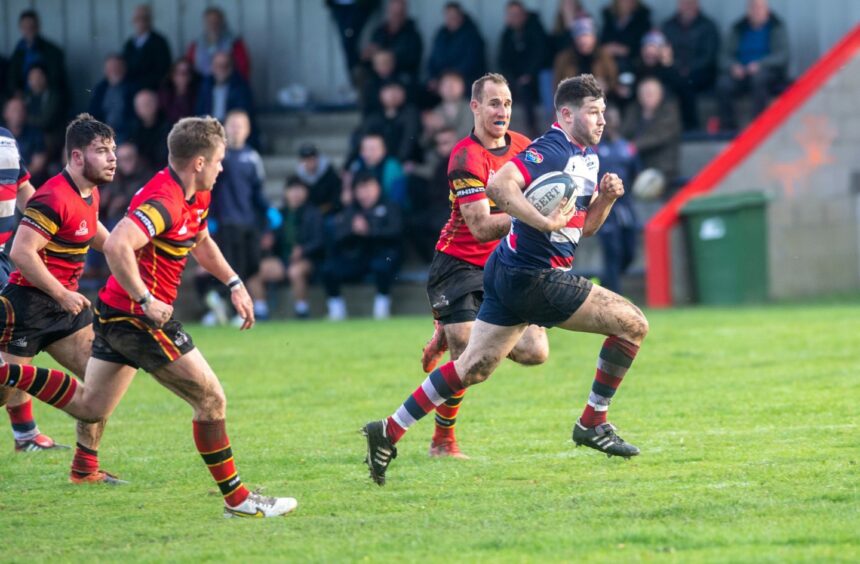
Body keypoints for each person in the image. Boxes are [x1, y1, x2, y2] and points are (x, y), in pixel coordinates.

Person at [0, 116, 298, 517]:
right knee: (211, 399)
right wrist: (143, 298)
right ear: (198, 162)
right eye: (219, 160)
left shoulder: (194, 195)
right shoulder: (164, 200)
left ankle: (76, 457)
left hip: (105, 310)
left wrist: (233, 282)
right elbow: (119, 244)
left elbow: (199, 239)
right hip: (128, 317)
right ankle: (239, 500)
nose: (222, 167)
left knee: (91, 405)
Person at [362, 74, 650, 486]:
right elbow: (499, 185)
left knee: (473, 367)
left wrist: (605, 199)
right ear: (566, 114)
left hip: (505, 268)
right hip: (532, 274)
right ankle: (593, 421)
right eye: (593, 112)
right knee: (634, 323)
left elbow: (583, 229)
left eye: (603, 112)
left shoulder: (587, 157)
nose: (602, 120)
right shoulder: (552, 148)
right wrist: (540, 219)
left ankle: (388, 429)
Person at [416, 73, 549, 458]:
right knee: (468, 354)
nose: (501, 111)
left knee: (535, 352)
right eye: (493, 103)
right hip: (457, 265)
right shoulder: (465, 156)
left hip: (506, 265)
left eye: (507, 104)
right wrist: (532, 214)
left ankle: (455, 326)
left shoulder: (525, 147)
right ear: (474, 107)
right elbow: (479, 228)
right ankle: (443, 440)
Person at [0, 115, 115, 476]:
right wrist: (61, 293)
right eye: (103, 151)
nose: (113, 158)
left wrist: (124, 253)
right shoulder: (55, 195)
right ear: (78, 157)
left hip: (66, 306)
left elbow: (89, 226)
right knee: (5, 387)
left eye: (113, 150)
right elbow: (22, 252)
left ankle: (86, 468)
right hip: (27, 306)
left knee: (100, 386)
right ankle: (26, 432)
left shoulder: (88, 190)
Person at [0, 124, 58, 451]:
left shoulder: (6, 138)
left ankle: (25, 434)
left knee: (15, 342)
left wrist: (52, 223)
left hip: (4, 259)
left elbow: (24, 191)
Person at [204, 110, 269, 326]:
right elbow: (208, 190)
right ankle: (230, 310)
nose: (236, 129)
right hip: (226, 222)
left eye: (240, 125)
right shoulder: (218, 156)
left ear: (248, 130)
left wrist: (268, 211)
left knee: (251, 266)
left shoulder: (252, 157)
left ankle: (239, 306)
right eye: (232, 125)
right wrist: (209, 217)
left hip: (248, 221)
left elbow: (258, 190)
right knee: (232, 266)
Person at [322, 171, 402, 321]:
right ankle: (336, 310)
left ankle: (381, 307)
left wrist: (369, 230)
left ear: (377, 187)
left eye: (368, 188)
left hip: (382, 253)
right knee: (328, 269)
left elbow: (395, 232)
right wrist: (353, 230)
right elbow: (338, 235)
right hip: (358, 256)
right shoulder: (351, 210)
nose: (364, 194)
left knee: (383, 266)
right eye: (360, 189)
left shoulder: (390, 206)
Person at [247, 177, 325, 320]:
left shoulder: (313, 213)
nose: (295, 193)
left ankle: (302, 309)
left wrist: (303, 250)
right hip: (283, 260)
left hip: (307, 260)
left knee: (295, 271)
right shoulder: (280, 215)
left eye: (299, 189)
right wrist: (269, 241)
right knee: (253, 270)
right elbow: (272, 236)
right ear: (286, 193)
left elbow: (319, 241)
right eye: (292, 189)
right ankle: (260, 309)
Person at [716, 0, 789, 130]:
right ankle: (728, 128)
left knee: (759, 79)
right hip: (741, 73)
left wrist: (760, 64)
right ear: (748, 10)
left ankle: (758, 126)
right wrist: (733, 66)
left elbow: (782, 56)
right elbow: (723, 56)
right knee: (723, 84)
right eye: (753, 7)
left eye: (759, 7)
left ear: (767, 10)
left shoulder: (776, 27)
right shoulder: (738, 28)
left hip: (767, 72)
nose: (756, 11)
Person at [595, 106, 640, 294]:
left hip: (625, 207)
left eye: (614, 118)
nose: (610, 122)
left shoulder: (627, 148)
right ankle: (615, 296)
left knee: (630, 251)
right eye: (607, 119)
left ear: (618, 121)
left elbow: (638, 175)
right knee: (612, 252)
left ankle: (604, 282)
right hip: (605, 207)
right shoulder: (594, 149)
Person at [661, 0, 720, 130]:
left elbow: (709, 56)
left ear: (697, 4)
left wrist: (688, 69)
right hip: (674, 70)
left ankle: (691, 126)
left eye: (690, 2)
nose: (687, 6)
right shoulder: (668, 26)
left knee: (687, 83)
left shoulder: (708, 26)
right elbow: (664, 50)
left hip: (701, 71)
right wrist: (676, 67)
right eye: (683, 3)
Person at [498, 1, 550, 138]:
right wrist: (511, 77)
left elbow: (541, 55)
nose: (514, 18)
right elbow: (503, 61)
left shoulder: (536, 29)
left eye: (517, 14)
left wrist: (528, 74)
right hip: (516, 79)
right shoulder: (507, 35)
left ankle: (533, 129)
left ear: (524, 15)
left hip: (536, 76)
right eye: (511, 15)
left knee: (527, 89)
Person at [620, 77, 681, 189]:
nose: (647, 97)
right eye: (643, 93)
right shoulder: (634, 110)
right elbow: (623, 132)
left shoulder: (669, 110)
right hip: (635, 164)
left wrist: (633, 146)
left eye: (651, 93)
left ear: (660, 94)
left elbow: (659, 136)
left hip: (662, 167)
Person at [6, 9, 67, 99]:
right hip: (24, 98)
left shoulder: (52, 51)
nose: (28, 30)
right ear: (20, 28)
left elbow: (57, 80)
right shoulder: (18, 52)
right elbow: (12, 78)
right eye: (25, 27)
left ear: (38, 27)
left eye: (32, 26)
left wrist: (40, 84)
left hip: (47, 98)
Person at [426, 3, 487, 92]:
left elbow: (471, 63)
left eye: (454, 16)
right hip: (442, 79)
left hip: (466, 79)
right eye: (448, 16)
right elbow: (432, 60)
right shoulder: (441, 35)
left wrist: (450, 77)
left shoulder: (472, 35)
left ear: (460, 16)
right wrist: (433, 77)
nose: (451, 19)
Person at [362, 0, 423, 85]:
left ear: (405, 13)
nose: (396, 16)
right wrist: (367, 55)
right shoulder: (379, 31)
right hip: (377, 73)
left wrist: (389, 58)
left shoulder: (413, 35)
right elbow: (371, 52)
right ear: (389, 12)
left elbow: (412, 60)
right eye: (394, 13)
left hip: (400, 73)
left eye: (399, 13)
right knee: (360, 72)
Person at [185, 7, 251, 80]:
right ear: (204, 23)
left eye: (216, 21)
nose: (213, 25)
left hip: (228, 84)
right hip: (201, 85)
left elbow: (243, 68)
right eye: (209, 21)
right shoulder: (195, 45)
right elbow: (189, 68)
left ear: (222, 22)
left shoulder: (234, 43)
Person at [122, 4, 173, 93]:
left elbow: (163, 70)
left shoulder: (159, 42)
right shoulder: (129, 44)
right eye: (137, 18)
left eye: (144, 18)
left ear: (150, 20)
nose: (141, 21)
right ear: (133, 21)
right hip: (130, 88)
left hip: (151, 89)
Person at [195, 52, 254, 125]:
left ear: (231, 68)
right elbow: (199, 112)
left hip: (232, 129)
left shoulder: (241, 87)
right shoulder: (204, 86)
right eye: (218, 65)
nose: (221, 69)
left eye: (226, 65)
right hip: (209, 128)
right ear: (212, 67)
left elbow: (242, 114)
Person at [88, 55, 136, 140]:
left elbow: (134, 119)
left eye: (117, 67)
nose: (114, 71)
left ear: (124, 69)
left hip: (125, 134)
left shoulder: (133, 88)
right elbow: (92, 113)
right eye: (110, 68)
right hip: (102, 133)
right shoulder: (101, 89)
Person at [295, 143, 342, 217]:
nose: (309, 162)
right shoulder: (300, 178)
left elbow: (337, 197)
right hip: (310, 214)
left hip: (330, 212)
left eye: (312, 159)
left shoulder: (329, 173)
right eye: (306, 160)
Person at [128, 89, 171, 169]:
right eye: (141, 105)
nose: (145, 108)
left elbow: (163, 156)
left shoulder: (167, 126)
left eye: (148, 104)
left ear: (157, 104)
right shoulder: (134, 127)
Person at [158, 58, 200, 125]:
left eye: (185, 73)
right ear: (172, 76)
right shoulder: (165, 95)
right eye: (178, 73)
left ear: (190, 76)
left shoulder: (198, 95)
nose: (181, 77)